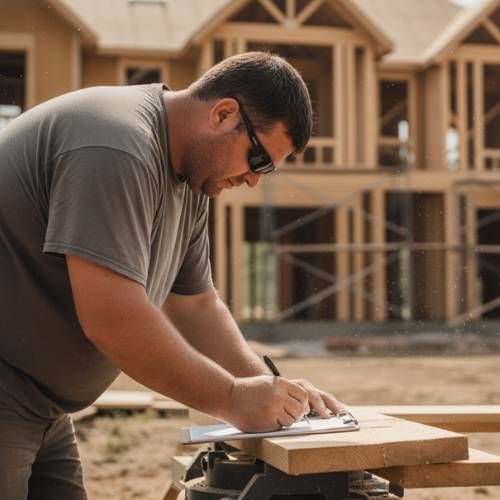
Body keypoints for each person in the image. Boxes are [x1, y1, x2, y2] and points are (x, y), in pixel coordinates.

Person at [0, 51, 344, 499]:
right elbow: (111, 319)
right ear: (224, 114)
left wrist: (272, 391)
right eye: (257, 161)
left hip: (41, 405)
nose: (254, 181)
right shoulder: (115, 145)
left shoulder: (190, 177)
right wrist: (234, 399)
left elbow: (195, 305)